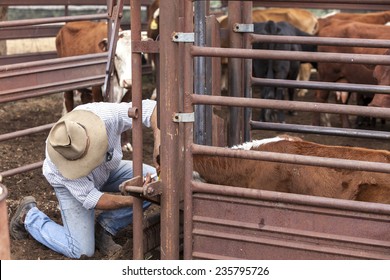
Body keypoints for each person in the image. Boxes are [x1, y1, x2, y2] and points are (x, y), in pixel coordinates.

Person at [9, 100, 160, 259]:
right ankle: (29, 216)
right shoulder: (61, 165)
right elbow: (94, 199)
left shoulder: (105, 116)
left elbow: (151, 108)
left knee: (154, 180)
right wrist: (134, 198)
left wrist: (159, 141)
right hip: (75, 183)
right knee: (80, 250)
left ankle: (106, 226)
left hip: (107, 169)